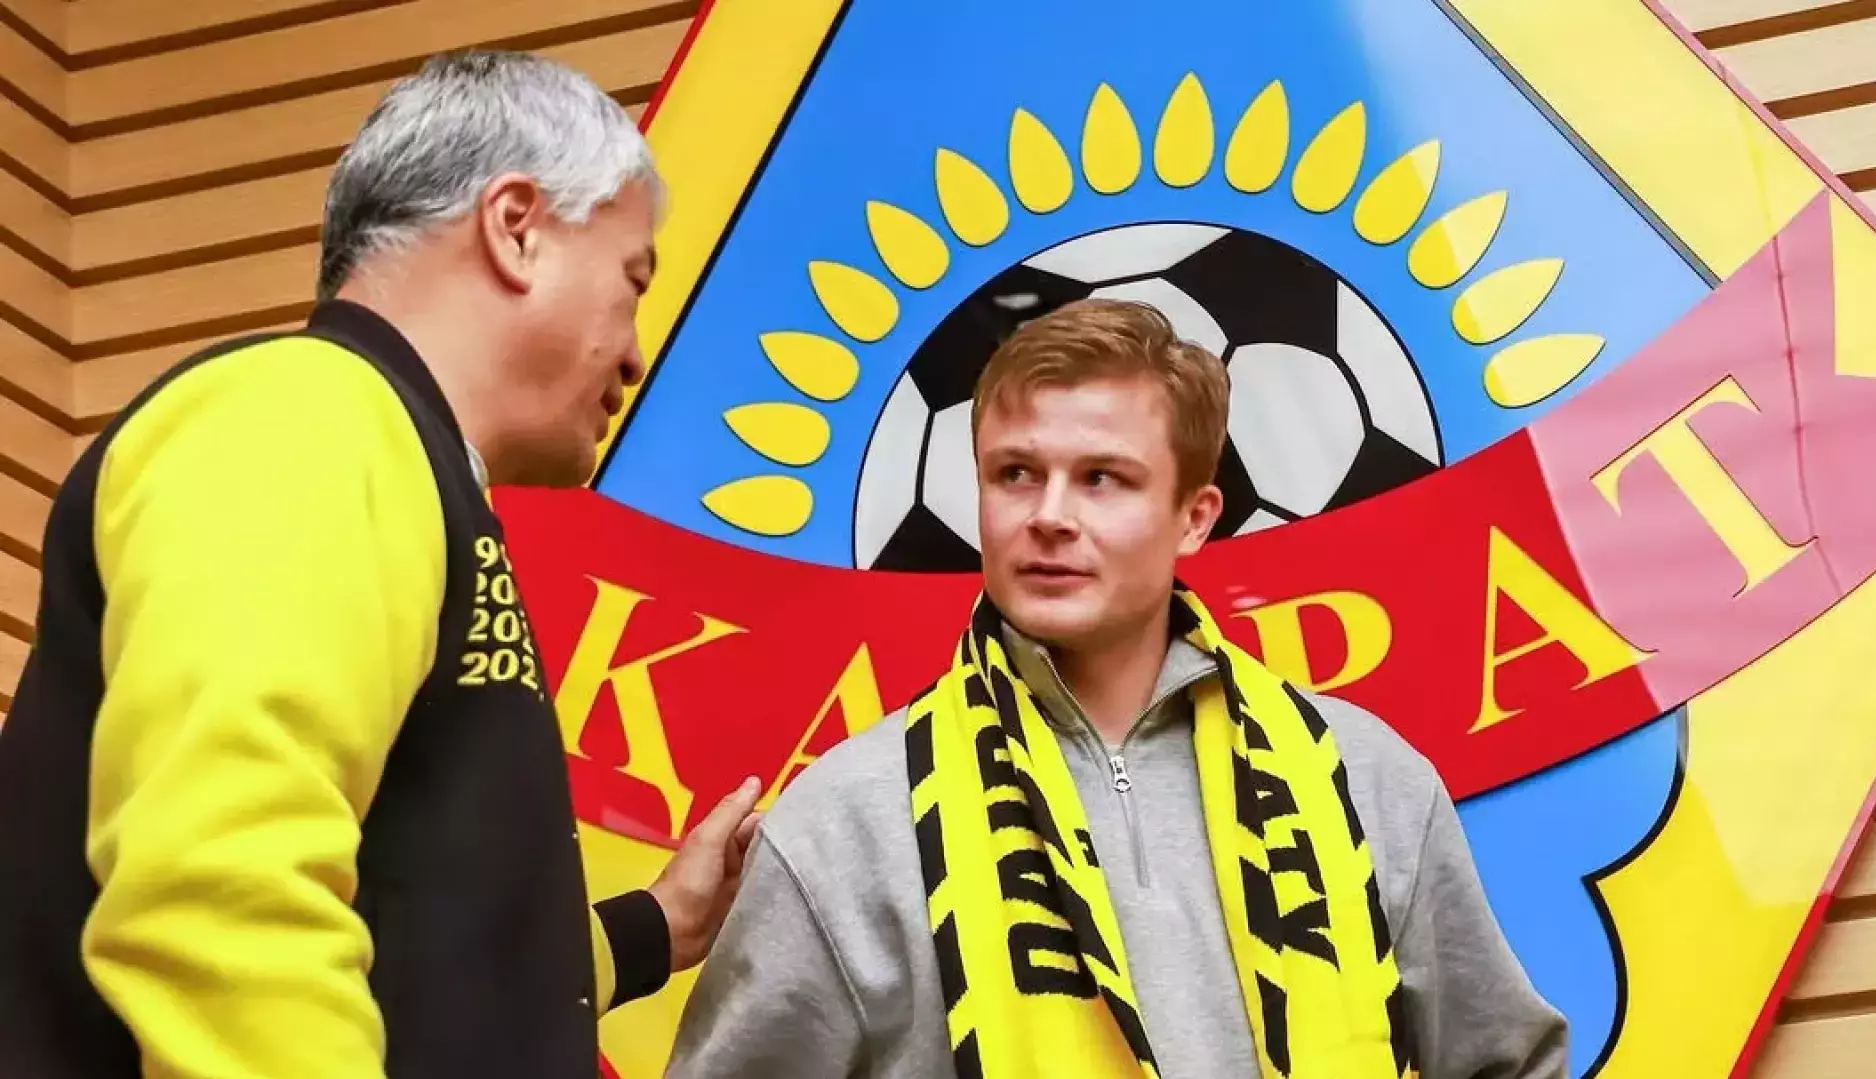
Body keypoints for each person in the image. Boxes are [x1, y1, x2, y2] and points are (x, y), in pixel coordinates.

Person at [0, 50, 760, 1079]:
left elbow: (409, 945)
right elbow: (224, 889)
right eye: (632, 283)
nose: (635, 352)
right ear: (517, 227)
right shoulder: (308, 413)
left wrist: (653, 925)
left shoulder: (377, 451)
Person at [667, 298, 1569, 1079]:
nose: (1049, 515)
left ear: (1194, 518)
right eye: (1015, 473)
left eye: (1102, 478)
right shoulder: (847, 820)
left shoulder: (1365, 779)